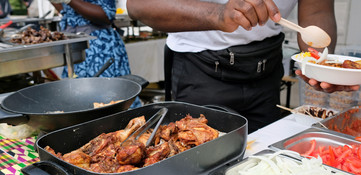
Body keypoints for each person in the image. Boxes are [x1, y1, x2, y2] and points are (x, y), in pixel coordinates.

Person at [127, 0, 353, 133]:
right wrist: (219, 14)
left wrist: (322, 66)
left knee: (260, 156)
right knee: (195, 161)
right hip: (199, 69)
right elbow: (139, 5)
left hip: (266, 71)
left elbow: (317, 11)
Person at [49, 0, 142, 108]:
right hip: (75, 47)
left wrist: (70, 1)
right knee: (78, 103)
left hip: (99, 50)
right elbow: (69, 11)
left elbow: (107, 15)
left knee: (111, 102)